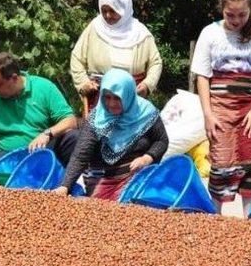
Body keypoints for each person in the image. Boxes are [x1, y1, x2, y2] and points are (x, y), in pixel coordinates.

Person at [190, 0, 251, 217]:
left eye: (242, 14)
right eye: (230, 15)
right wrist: (208, 115)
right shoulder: (210, 33)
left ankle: (249, 219)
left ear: (250, 10)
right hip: (221, 108)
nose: (236, 20)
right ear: (222, 9)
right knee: (220, 162)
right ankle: (216, 218)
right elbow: (202, 76)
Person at [0, 52, 78, 178]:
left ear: (14, 78)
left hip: (45, 150)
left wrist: (47, 134)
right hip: (9, 156)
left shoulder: (44, 87)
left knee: (74, 138)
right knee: (11, 177)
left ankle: (69, 183)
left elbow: (70, 121)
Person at [53, 68, 168, 200]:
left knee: (152, 202)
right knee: (105, 210)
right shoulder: (97, 118)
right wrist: (65, 186)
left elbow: (162, 141)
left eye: (117, 98)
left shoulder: (145, 113)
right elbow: (80, 156)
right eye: (107, 97)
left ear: (128, 95)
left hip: (140, 176)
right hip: (105, 180)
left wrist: (147, 158)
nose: (111, 104)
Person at [70, 0, 162, 112]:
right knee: (99, 131)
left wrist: (147, 85)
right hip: (100, 97)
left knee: (131, 130)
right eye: (104, 11)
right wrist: (83, 83)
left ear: (123, 9)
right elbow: (76, 58)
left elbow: (155, 63)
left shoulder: (140, 33)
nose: (107, 16)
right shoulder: (95, 28)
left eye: (112, 11)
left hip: (132, 97)